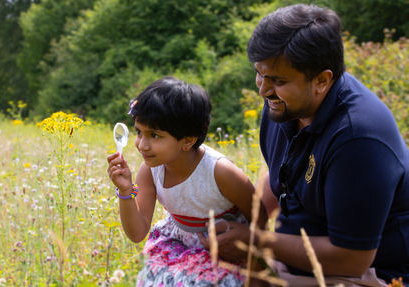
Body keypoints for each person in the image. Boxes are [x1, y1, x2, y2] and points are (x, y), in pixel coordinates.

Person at [198, 4, 409, 286]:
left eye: (278, 80)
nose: (262, 89)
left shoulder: (358, 139)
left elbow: (352, 258)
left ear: (322, 80)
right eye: (260, 73)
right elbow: (284, 173)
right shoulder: (285, 104)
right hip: (296, 260)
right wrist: (244, 219)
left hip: (370, 275)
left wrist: (254, 241)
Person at [106, 76, 268, 286]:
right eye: (139, 132)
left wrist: (258, 269)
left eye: (154, 135)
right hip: (177, 244)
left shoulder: (220, 171)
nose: (142, 145)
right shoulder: (150, 171)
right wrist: (126, 191)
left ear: (188, 140)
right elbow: (137, 233)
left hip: (224, 247)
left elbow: (260, 217)